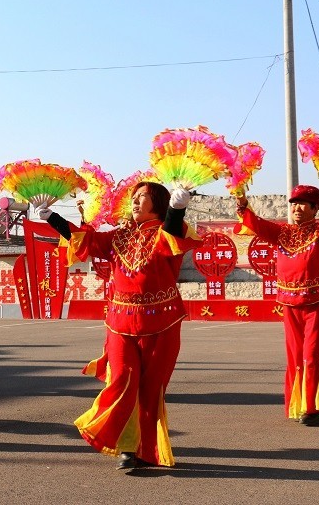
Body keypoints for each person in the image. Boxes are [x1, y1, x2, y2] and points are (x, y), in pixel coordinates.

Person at [39, 182, 200, 471]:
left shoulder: (167, 233)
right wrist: (52, 217)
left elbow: (172, 236)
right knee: (121, 381)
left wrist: (177, 210)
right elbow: (84, 241)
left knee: (150, 392)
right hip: (119, 324)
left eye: (143, 198)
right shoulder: (119, 236)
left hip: (161, 324)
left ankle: (142, 450)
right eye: (134, 198)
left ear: (159, 203)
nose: (136, 202)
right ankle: (125, 444)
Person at [235, 171, 319, 426]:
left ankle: (316, 409)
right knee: (295, 357)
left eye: (303, 204)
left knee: (313, 355)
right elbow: (255, 223)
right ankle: (298, 406)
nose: (297, 208)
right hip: (289, 303)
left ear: (314, 208)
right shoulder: (282, 233)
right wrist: (241, 199)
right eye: (294, 203)